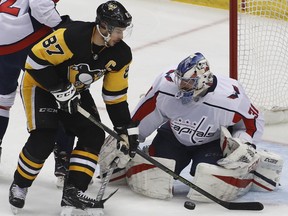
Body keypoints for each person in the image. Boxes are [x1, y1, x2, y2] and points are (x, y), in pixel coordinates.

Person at [8, 1, 139, 215]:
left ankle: (73, 192)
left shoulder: (121, 54)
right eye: (117, 30)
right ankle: (20, 184)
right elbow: (33, 60)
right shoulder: (72, 35)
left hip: (74, 90)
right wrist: (58, 88)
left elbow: (114, 96)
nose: (120, 36)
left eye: (123, 31)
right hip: (41, 85)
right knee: (44, 138)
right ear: (103, 27)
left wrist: (125, 127)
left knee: (93, 134)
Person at [115, 52, 282, 201]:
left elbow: (252, 123)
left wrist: (244, 144)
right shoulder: (166, 85)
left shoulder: (230, 97)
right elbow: (146, 111)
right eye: (180, 79)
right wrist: (132, 136)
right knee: (151, 179)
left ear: (203, 80)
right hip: (173, 136)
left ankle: (252, 172)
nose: (181, 85)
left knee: (209, 183)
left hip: (212, 142)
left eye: (188, 82)